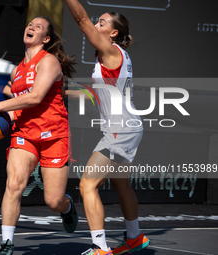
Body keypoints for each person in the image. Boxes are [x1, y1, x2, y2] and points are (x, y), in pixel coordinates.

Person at [0, 16, 77, 255]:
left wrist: (0, 106)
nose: (31, 27)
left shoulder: (49, 61)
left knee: (53, 200)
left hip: (53, 136)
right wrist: (3, 118)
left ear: (46, 38)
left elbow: (35, 97)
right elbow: (20, 107)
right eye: (30, 25)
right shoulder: (17, 70)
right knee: (13, 185)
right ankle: (7, 243)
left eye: (38, 27)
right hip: (25, 135)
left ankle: (67, 207)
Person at [64, 1, 150, 255]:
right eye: (96, 21)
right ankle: (134, 237)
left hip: (120, 130)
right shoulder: (112, 58)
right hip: (127, 127)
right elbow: (94, 95)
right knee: (121, 185)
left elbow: (81, 21)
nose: (95, 24)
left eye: (101, 22)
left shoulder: (111, 51)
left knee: (87, 185)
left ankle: (100, 248)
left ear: (113, 33)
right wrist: (63, 93)